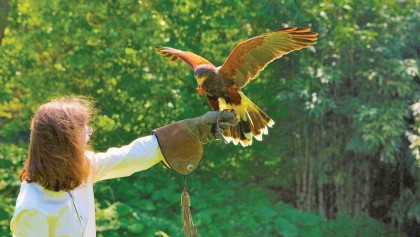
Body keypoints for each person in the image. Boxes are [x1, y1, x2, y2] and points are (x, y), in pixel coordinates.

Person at [10, 96, 236, 237]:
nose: (88, 139)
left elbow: (128, 157)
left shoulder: (80, 169)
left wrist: (190, 131)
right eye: (84, 134)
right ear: (64, 143)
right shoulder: (31, 209)